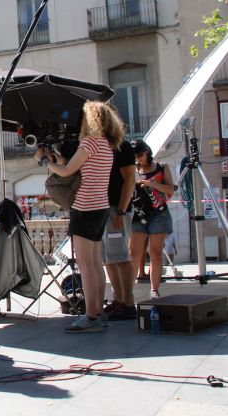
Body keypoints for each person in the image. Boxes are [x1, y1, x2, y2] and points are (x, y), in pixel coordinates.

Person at [35, 101, 124, 333]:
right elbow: (76, 165)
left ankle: (91, 316)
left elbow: (66, 172)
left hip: (84, 208)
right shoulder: (106, 144)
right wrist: (55, 158)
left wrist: (44, 161)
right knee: (95, 263)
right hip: (100, 207)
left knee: (86, 266)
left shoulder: (89, 142)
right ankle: (98, 313)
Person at [130, 139, 176, 300]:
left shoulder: (162, 167)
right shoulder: (133, 169)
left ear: (147, 152)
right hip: (139, 213)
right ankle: (128, 291)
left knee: (156, 253)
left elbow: (171, 189)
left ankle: (154, 290)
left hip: (159, 213)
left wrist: (152, 184)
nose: (139, 159)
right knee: (134, 253)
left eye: (140, 155)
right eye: (136, 157)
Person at [102, 136, 137, 321]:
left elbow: (130, 179)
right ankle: (119, 300)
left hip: (117, 209)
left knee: (120, 256)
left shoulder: (122, 146)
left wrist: (122, 211)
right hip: (104, 208)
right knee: (109, 258)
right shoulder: (100, 144)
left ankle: (128, 304)